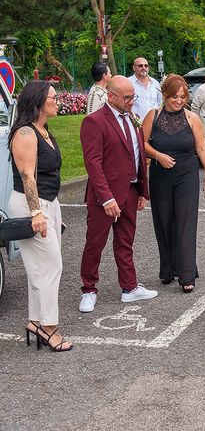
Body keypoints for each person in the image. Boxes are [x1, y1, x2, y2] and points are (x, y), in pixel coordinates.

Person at [78, 76, 157, 313]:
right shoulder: (94, 122)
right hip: (105, 197)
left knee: (126, 242)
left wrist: (142, 190)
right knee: (95, 244)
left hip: (131, 191)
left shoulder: (132, 118)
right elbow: (93, 164)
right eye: (127, 97)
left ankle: (130, 287)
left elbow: (138, 156)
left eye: (133, 96)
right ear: (110, 97)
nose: (132, 101)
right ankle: (89, 290)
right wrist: (106, 198)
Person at [8, 81, 71, 352]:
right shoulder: (25, 133)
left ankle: (36, 322)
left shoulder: (43, 130)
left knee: (40, 267)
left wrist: (54, 212)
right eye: (53, 98)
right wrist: (37, 213)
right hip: (29, 205)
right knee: (50, 265)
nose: (57, 102)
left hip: (48, 204)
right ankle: (48, 328)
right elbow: (27, 177)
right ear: (37, 101)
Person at [142, 74, 205, 292]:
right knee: (164, 221)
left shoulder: (192, 118)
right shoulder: (153, 116)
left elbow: (202, 149)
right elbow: (142, 143)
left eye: (182, 97)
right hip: (160, 174)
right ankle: (168, 269)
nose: (178, 101)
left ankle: (186, 274)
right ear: (165, 95)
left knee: (185, 221)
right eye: (174, 97)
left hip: (186, 173)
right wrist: (158, 155)